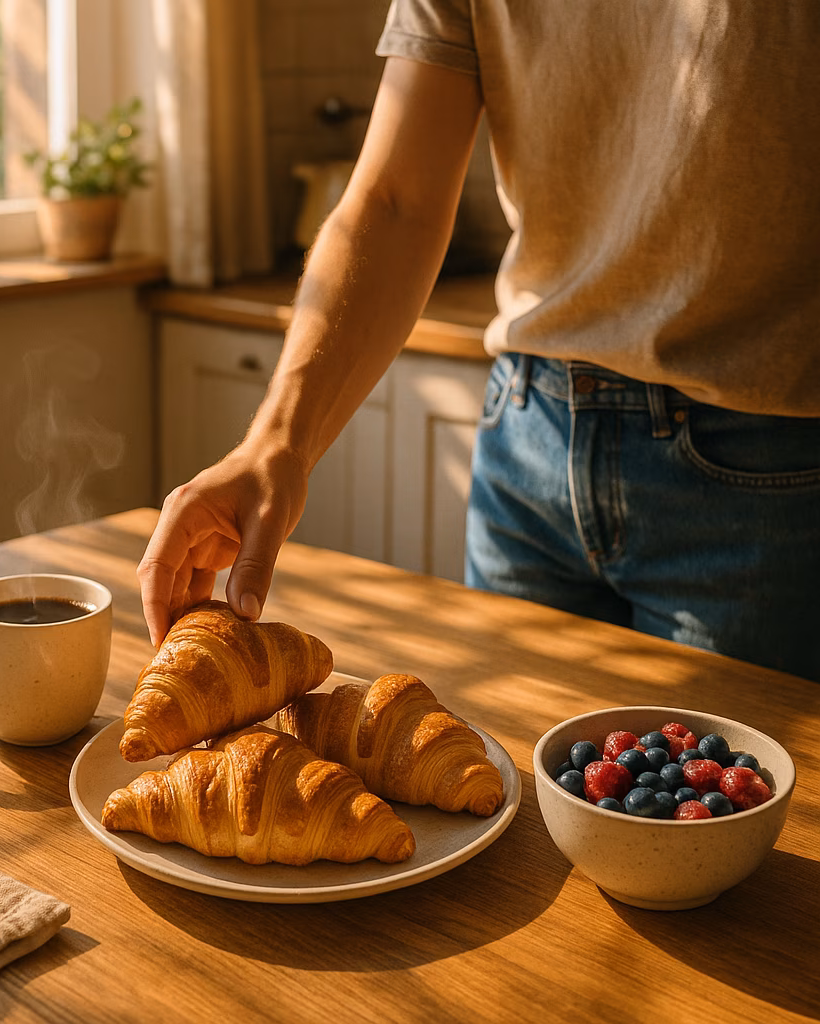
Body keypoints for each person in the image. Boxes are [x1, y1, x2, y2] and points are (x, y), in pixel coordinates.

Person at [138, 1, 820, 682]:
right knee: (507, 779)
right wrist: (275, 443)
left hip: (764, 466)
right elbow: (395, 201)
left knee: (723, 784)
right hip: (528, 443)